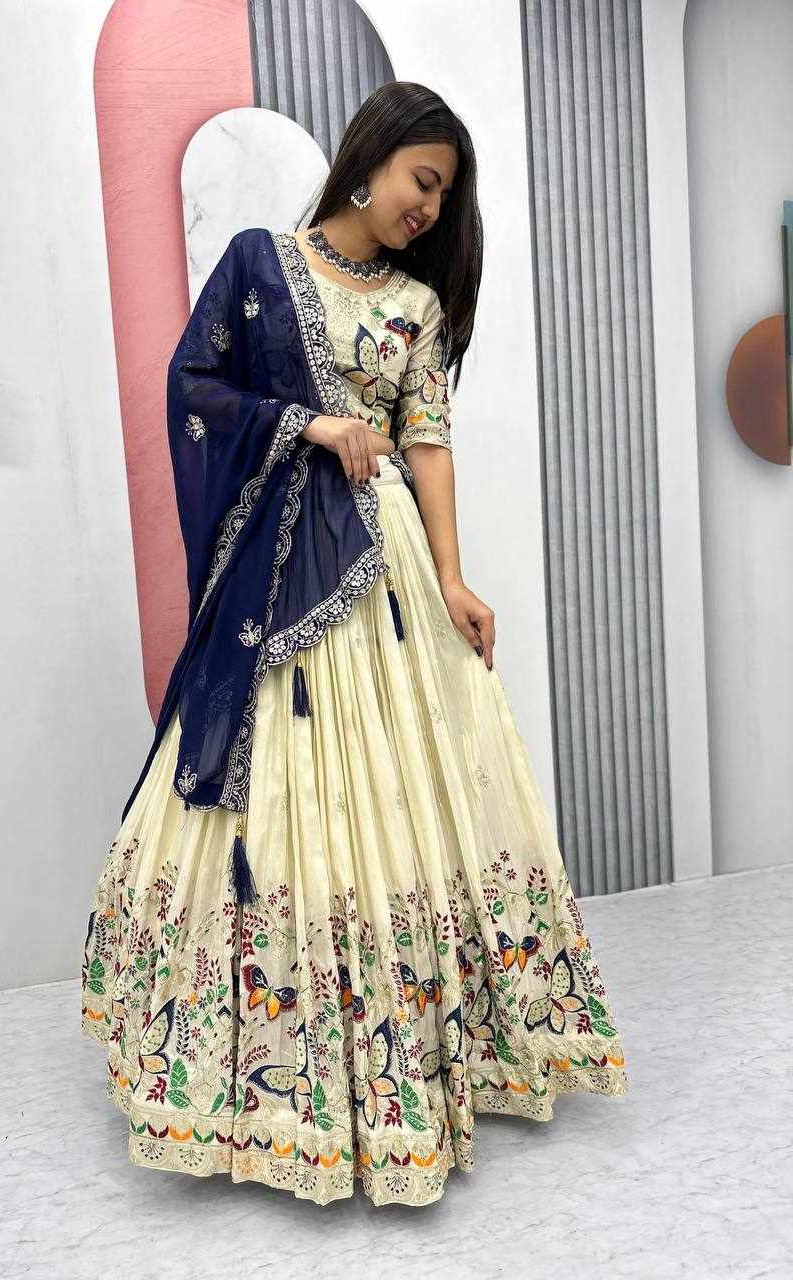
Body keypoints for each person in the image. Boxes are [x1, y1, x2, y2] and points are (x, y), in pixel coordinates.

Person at [81, 81, 628, 1209]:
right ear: (370, 158)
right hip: (277, 570)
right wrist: (310, 424)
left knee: (407, 787)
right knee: (279, 796)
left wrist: (455, 577)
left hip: (386, 569)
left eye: (446, 197)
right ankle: (257, 1071)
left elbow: (427, 444)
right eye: (425, 180)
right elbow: (193, 386)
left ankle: (413, 1053)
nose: (430, 208)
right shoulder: (258, 263)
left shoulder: (418, 307)